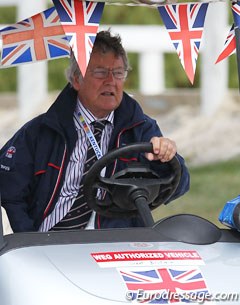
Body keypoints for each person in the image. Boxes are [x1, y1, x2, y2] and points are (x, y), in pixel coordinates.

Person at [0, 30, 190, 232]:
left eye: (118, 73)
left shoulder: (141, 128)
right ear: (76, 79)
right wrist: (29, 240)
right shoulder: (39, 132)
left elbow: (179, 186)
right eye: (100, 72)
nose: (111, 81)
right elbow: (8, 188)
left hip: (118, 244)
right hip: (51, 242)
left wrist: (167, 159)